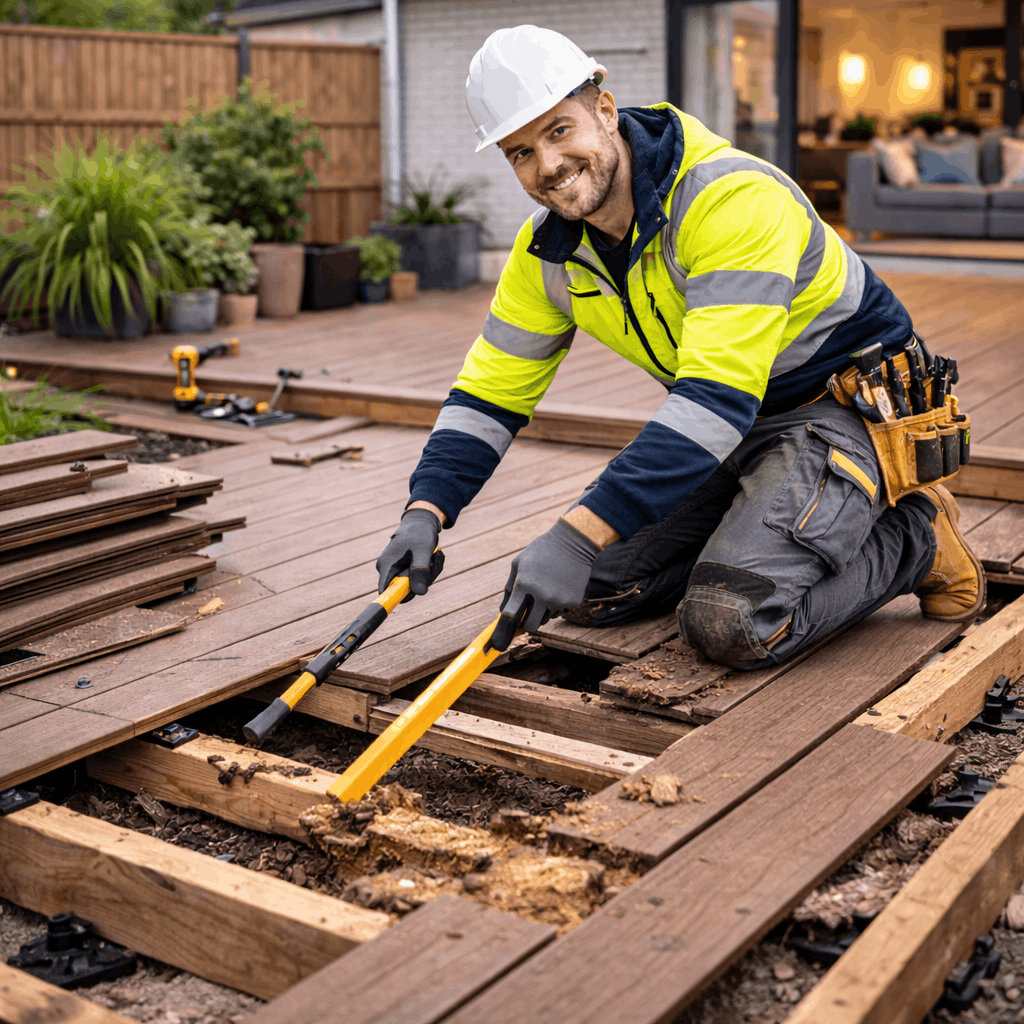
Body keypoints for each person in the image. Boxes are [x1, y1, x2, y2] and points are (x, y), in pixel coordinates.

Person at [375, 25, 984, 668]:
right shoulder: (547, 253)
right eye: (519, 152)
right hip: (728, 424)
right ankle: (754, 538)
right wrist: (426, 509)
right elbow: (489, 392)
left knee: (734, 622)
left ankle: (916, 537)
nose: (546, 165)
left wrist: (578, 534)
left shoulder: (731, 199)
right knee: (586, 593)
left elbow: (716, 399)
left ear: (604, 112)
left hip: (842, 410)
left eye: (559, 131)